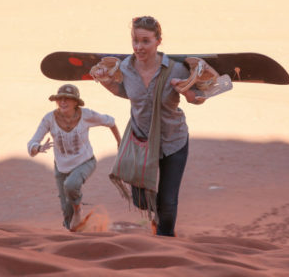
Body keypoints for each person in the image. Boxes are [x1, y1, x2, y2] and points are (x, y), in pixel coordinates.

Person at [91, 16, 205, 237]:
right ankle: (157, 217)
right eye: (135, 40)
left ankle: (165, 245)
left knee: (169, 203)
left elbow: (198, 98)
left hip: (173, 141)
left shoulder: (176, 69)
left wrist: (186, 91)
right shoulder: (126, 67)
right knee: (142, 200)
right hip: (141, 143)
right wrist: (105, 81)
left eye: (145, 41)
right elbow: (126, 92)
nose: (138, 47)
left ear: (158, 41)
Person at [27, 84, 121, 231]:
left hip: (85, 162)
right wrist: (38, 148)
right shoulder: (49, 119)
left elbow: (110, 121)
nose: (63, 102)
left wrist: (119, 143)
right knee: (66, 209)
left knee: (71, 185)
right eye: (60, 99)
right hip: (61, 167)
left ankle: (78, 210)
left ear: (76, 102)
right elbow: (32, 143)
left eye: (67, 99)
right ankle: (73, 237)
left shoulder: (86, 115)